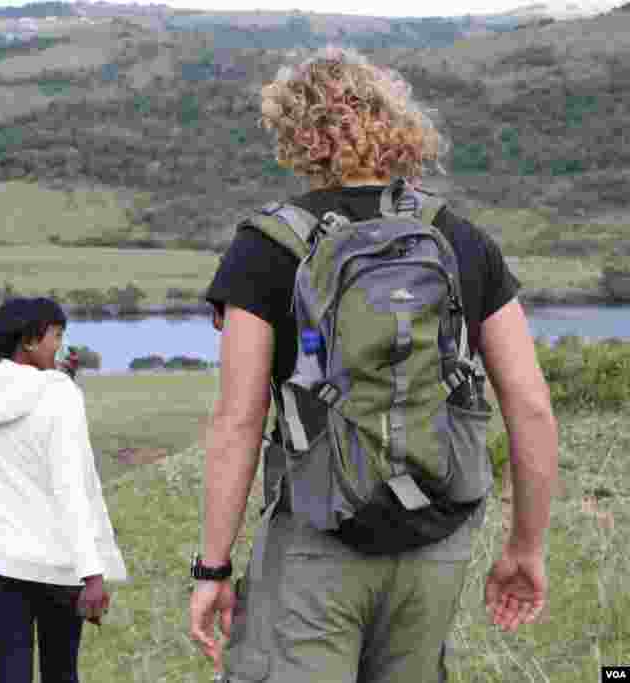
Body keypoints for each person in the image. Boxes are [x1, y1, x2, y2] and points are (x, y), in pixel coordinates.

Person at [188, 46, 558, 682]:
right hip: (436, 538)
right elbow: (530, 406)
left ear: (297, 135)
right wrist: (526, 547)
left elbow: (238, 424)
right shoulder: (461, 239)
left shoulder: (265, 248)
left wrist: (214, 569)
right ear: (396, 125)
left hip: (318, 538)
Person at [0, 296, 127, 683]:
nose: (61, 346)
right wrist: (93, 574)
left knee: (10, 673)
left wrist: (58, 379)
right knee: (61, 674)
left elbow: (20, 400)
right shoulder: (59, 394)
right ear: (30, 340)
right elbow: (71, 488)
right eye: (57, 336)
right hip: (55, 565)